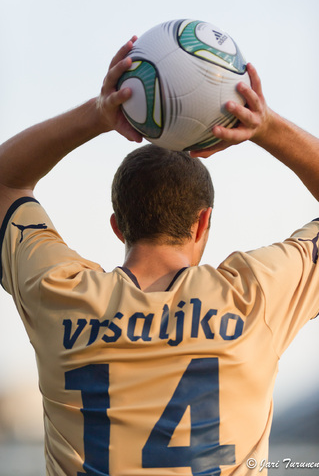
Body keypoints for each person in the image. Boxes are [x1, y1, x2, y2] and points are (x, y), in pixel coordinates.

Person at [0, 37, 318, 476]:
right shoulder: (256, 295)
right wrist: (265, 127)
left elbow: (5, 183)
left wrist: (96, 115)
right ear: (203, 223)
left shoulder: (58, 292)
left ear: (118, 225)